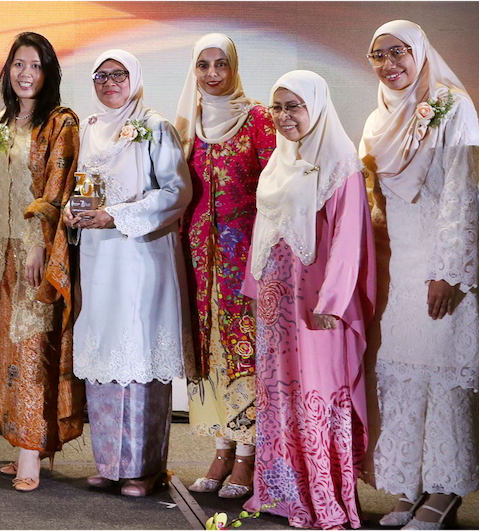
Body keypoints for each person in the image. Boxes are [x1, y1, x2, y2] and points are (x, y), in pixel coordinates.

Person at [360, 20, 479, 531]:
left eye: (398, 52)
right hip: (401, 268)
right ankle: (408, 487)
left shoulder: (452, 106)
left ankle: (445, 493)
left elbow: (462, 194)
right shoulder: (377, 123)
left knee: (444, 381)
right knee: (402, 379)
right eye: (378, 55)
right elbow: (374, 204)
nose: (389, 64)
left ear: (420, 53)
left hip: (444, 266)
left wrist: (449, 273)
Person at [243, 70, 376, 531]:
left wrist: (334, 303)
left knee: (314, 395)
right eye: (277, 107)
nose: (283, 117)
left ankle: (322, 497)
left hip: (318, 306)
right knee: (278, 395)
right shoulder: (277, 161)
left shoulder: (340, 162)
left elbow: (349, 240)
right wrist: (255, 290)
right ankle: (281, 492)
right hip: (275, 304)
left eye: (293, 106)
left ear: (316, 107)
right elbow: (265, 230)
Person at [64, 49, 190, 498]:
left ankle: (145, 467)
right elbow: (83, 184)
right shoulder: (91, 128)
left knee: (137, 356)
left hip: (140, 257)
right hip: (99, 259)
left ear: (134, 78)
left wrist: (115, 216)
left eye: (118, 75)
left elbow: (176, 192)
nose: (109, 83)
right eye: (101, 76)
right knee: (104, 355)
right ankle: (111, 464)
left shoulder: (155, 127)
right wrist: (75, 212)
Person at [172, 34, 276, 499]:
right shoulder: (187, 122)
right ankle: (219, 447)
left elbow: (277, 184)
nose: (212, 74)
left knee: (244, 349)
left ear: (234, 67)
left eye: (221, 64)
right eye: (203, 65)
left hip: (245, 254)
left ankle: (247, 454)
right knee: (208, 348)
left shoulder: (257, 119)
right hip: (198, 256)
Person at [0, 31, 85, 493]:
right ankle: (23, 444)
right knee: (7, 347)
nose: (26, 74)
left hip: (34, 250)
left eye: (36, 66)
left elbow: (55, 189)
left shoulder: (60, 124)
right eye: (19, 65)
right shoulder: (3, 123)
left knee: (31, 349)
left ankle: (31, 455)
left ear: (48, 74)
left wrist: (37, 244)